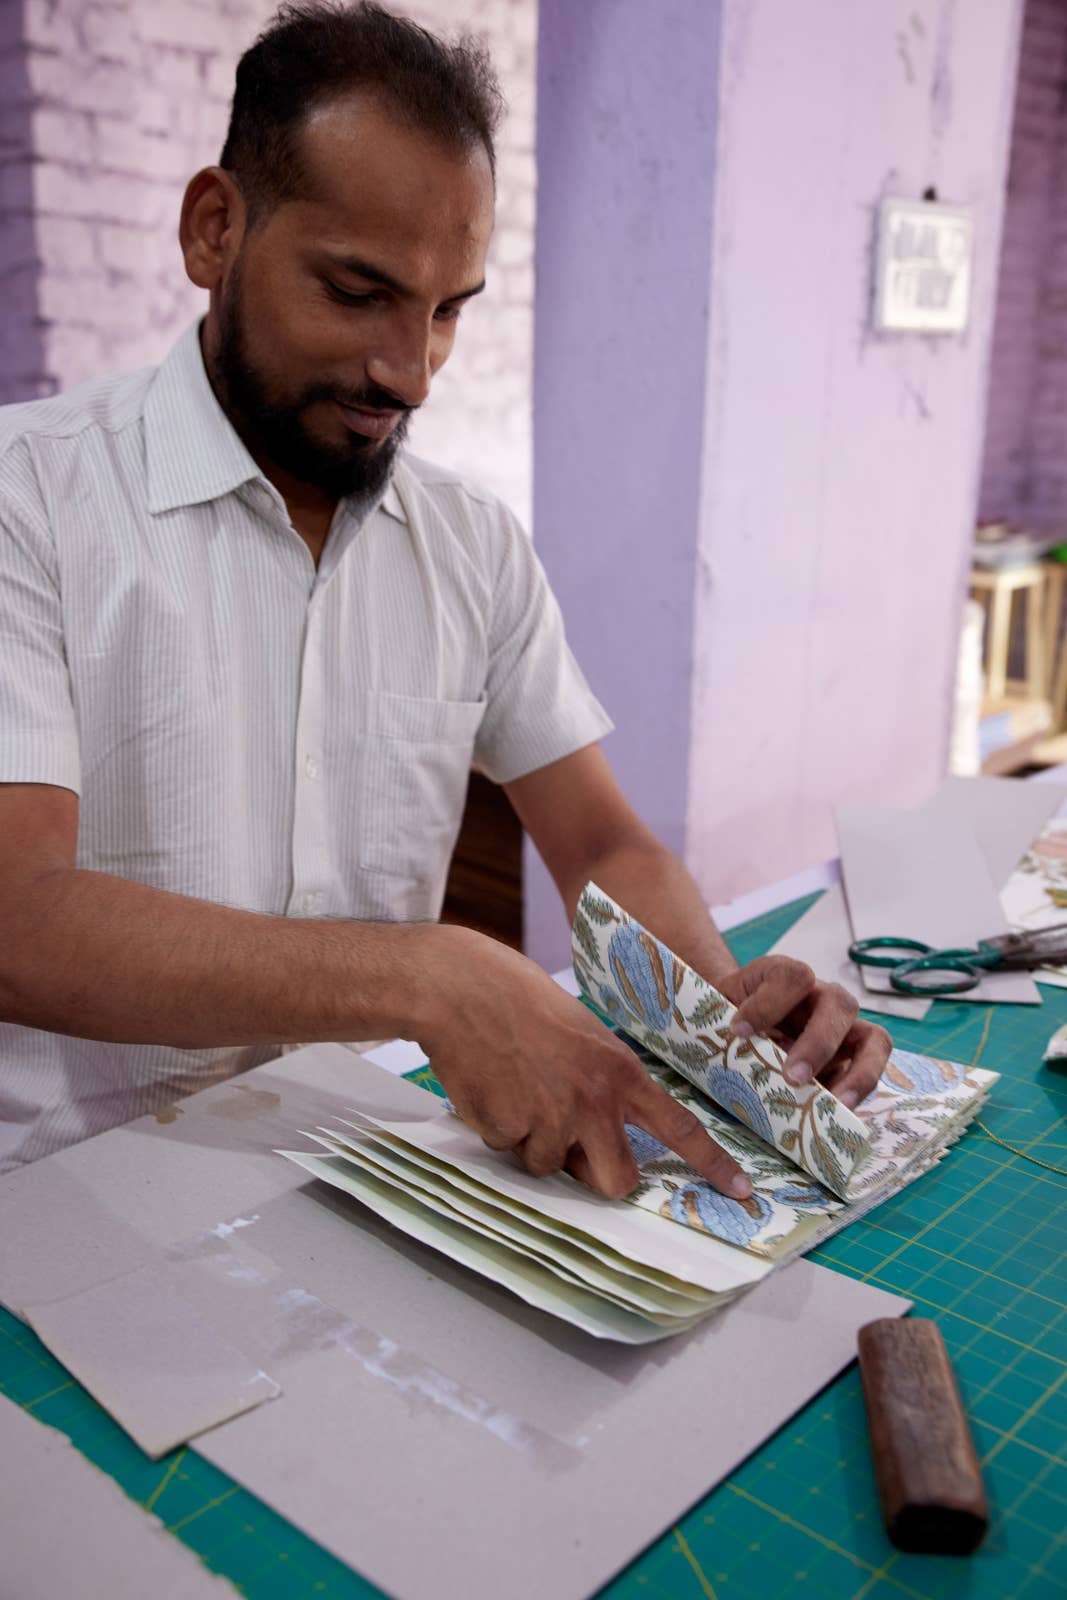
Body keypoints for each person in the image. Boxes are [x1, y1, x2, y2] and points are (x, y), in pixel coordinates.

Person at [0, 1, 890, 1182]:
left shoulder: (469, 543)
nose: (410, 372)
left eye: (447, 309)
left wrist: (728, 1015)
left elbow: (598, 840)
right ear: (214, 230)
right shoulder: (28, 498)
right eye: (355, 291)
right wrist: (426, 974)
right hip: (66, 1199)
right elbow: (18, 916)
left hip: (367, 1180)